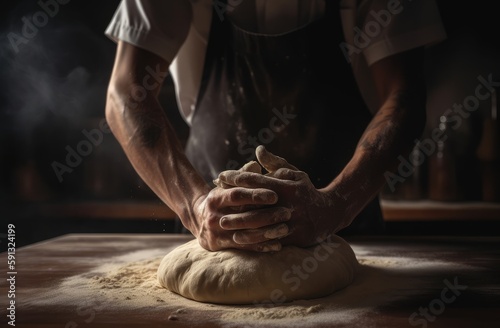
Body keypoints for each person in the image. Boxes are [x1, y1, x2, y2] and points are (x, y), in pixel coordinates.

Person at [104, 0, 446, 252]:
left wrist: (335, 206)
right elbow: (125, 96)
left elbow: (404, 99)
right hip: (214, 234)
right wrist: (195, 207)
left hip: (347, 231)